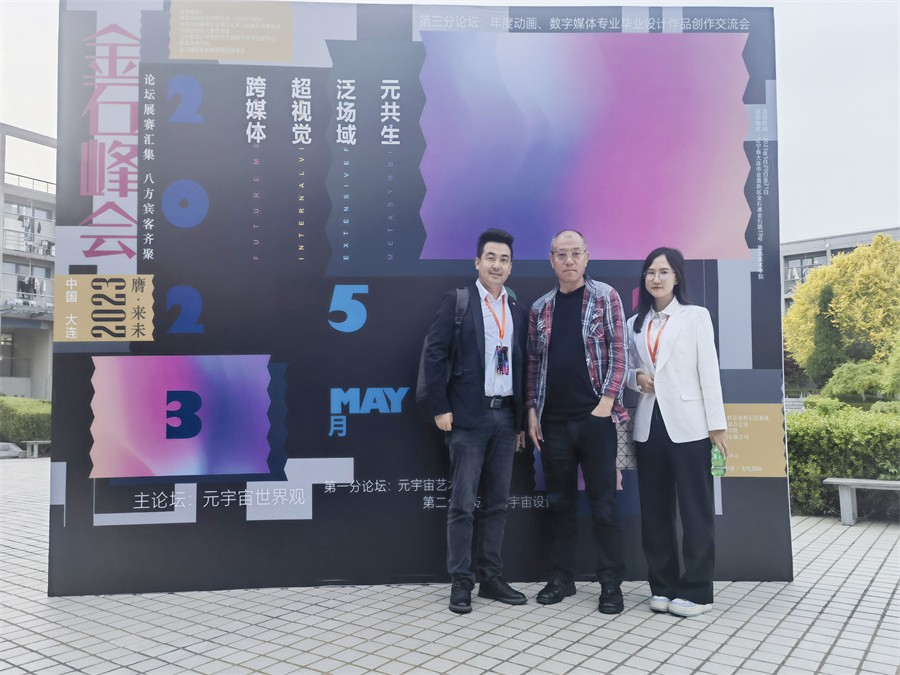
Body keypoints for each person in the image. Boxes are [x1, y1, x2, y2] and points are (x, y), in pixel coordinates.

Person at [424, 228, 528, 614]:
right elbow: (435, 355)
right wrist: (440, 407)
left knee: (498, 503)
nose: (497, 265)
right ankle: (461, 582)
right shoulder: (459, 301)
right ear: (477, 262)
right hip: (468, 417)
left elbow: (522, 366)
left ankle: (491, 578)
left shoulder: (516, 310)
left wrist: (520, 422)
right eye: (490, 258)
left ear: (511, 266)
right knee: (463, 504)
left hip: (506, 417)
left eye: (504, 259)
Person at [526, 229, 629, 614]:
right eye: (561, 254)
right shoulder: (540, 308)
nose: (569, 261)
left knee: (604, 506)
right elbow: (533, 364)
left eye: (575, 253)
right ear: (551, 260)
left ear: (587, 257)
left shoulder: (606, 297)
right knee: (560, 505)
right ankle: (562, 578)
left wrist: (605, 403)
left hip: (596, 421)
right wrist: (531, 410)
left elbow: (620, 352)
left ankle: (610, 583)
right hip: (553, 424)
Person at [625, 246, 729, 618]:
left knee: (695, 511)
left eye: (664, 272)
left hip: (691, 426)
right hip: (648, 425)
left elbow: (709, 371)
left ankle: (698, 592)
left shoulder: (695, 316)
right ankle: (662, 587)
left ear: (677, 277)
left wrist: (716, 425)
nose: (656, 278)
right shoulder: (634, 323)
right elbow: (626, 369)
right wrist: (636, 378)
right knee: (655, 512)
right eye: (650, 272)